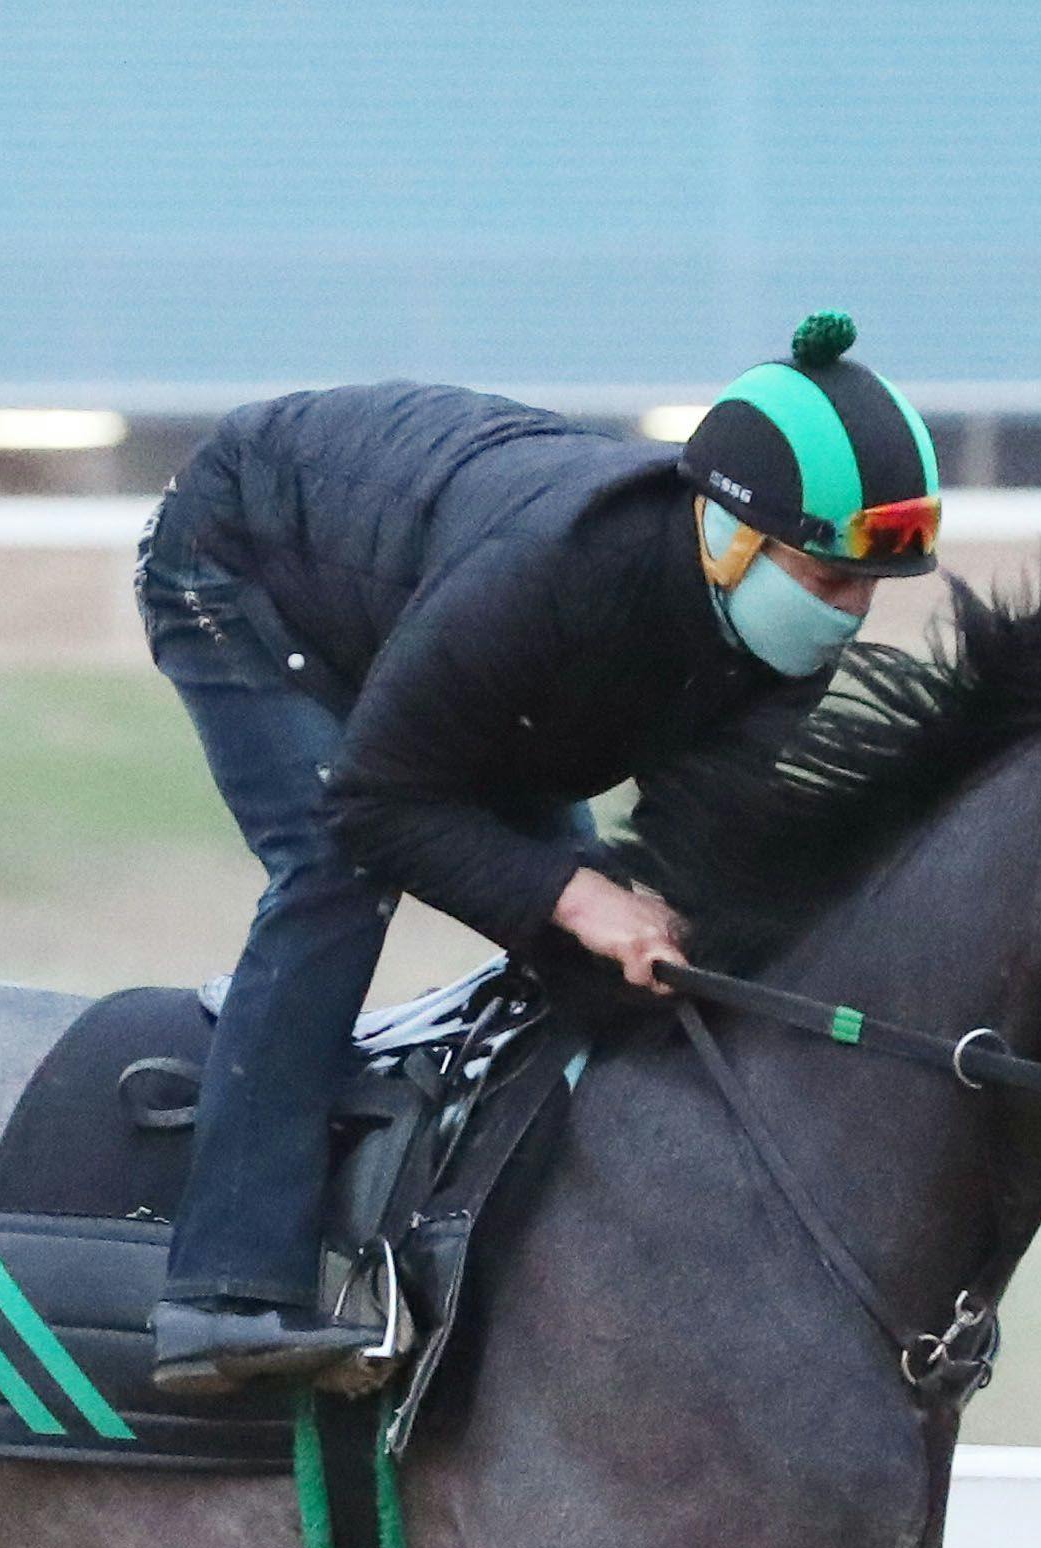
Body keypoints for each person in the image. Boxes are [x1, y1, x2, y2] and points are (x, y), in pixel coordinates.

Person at [136, 311, 946, 1395]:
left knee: (609, 946)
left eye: (871, 588)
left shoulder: (781, 643)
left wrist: (657, 917)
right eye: (830, 577)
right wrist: (572, 894)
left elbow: (693, 849)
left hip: (442, 633)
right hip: (243, 561)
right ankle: (224, 1291)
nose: (849, 615)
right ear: (732, 533)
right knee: (339, 872)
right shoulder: (554, 573)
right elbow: (377, 800)